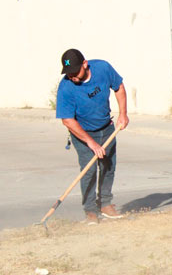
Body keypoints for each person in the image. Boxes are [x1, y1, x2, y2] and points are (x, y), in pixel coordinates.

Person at [55, 48, 129, 224]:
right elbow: (67, 120)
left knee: (108, 166)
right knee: (88, 171)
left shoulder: (102, 68)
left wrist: (123, 114)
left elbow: (118, 87)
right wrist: (91, 143)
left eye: (74, 72)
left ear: (85, 64)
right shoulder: (66, 87)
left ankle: (105, 204)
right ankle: (90, 210)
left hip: (106, 127)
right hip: (83, 133)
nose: (71, 76)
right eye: (68, 73)